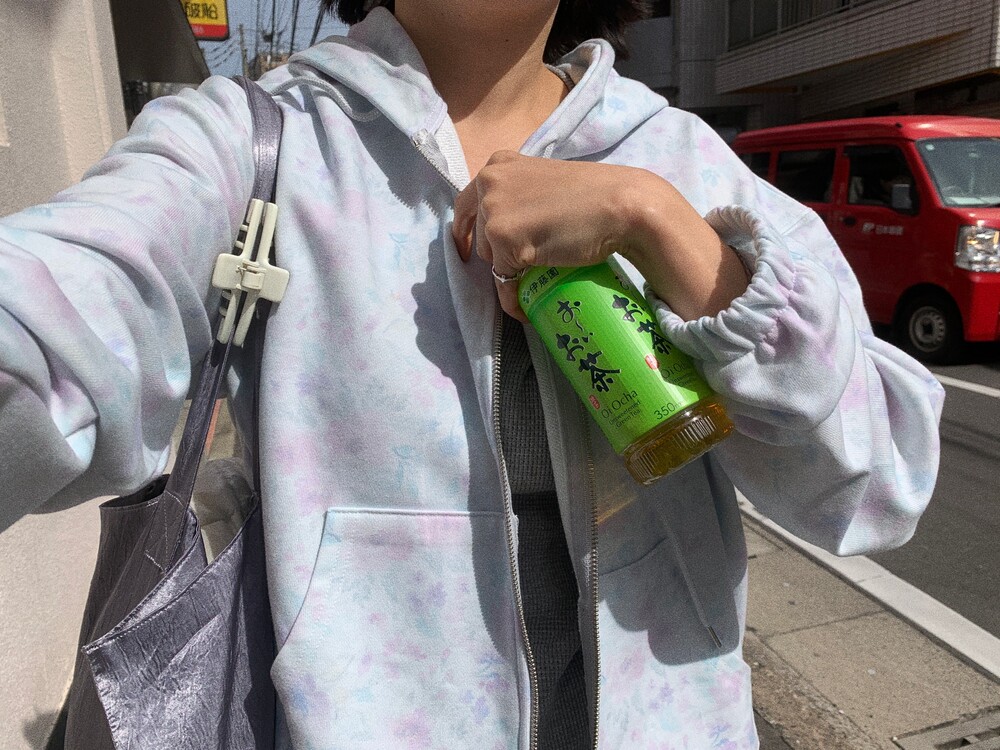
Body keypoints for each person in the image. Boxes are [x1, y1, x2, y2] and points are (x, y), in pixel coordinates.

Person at [0, 1, 944, 748]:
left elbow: (880, 477)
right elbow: (55, 318)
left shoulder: (681, 161)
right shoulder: (252, 145)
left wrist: (660, 227)